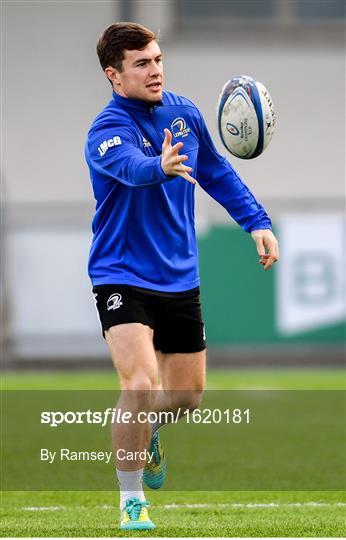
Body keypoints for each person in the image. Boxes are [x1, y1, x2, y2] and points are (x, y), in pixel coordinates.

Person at [85, 22, 279, 531]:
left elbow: (215, 171)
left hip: (178, 275)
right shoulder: (106, 129)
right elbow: (129, 167)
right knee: (141, 383)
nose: (155, 70)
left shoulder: (185, 113)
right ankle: (132, 503)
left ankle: (146, 429)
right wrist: (160, 166)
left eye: (158, 59)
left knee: (189, 398)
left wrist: (256, 221)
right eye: (141, 64)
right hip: (120, 273)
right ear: (114, 75)